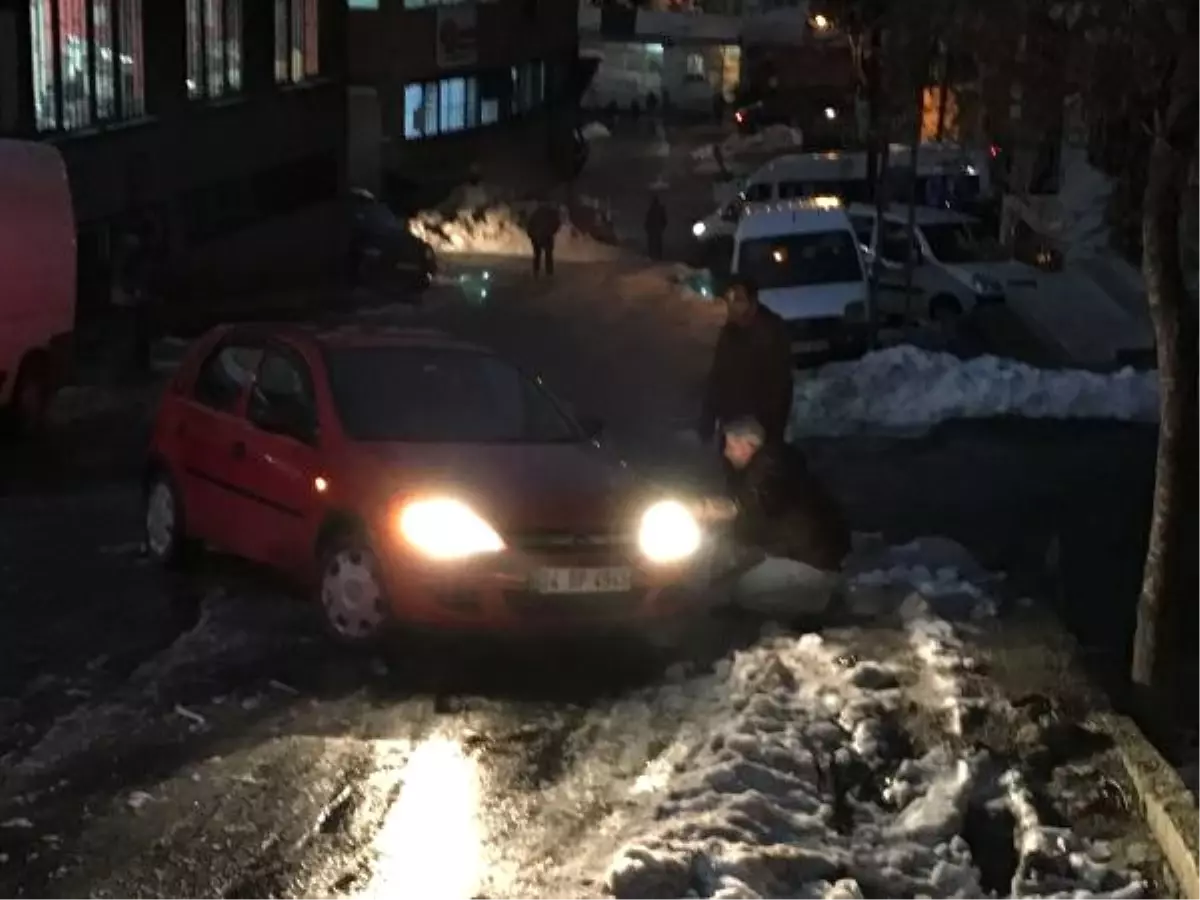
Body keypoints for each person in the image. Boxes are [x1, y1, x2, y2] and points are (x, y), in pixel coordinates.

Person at [720, 416, 852, 617]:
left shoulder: (770, 469)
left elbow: (757, 509)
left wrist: (725, 510)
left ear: (748, 445)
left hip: (813, 565)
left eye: (730, 445)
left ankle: (820, 605)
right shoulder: (773, 468)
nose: (726, 453)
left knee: (742, 591)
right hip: (809, 558)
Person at [698, 275, 794, 469]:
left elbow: (781, 384)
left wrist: (771, 431)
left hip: (759, 431)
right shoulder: (729, 334)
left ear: (753, 302)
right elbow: (718, 376)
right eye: (729, 300)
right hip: (733, 427)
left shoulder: (771, 332)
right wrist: (707, 419)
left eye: (738, 300)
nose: (732, 306)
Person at [526, 198, 562, 277]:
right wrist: (551, 232)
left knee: (538, 255)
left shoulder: (536, 213)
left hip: (538, 237)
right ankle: (548, 272)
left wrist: (532, 236)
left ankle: (537, 271)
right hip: (545, 236)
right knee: (547, 255)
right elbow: (557, 224)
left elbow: (529, 225)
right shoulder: (551, 213)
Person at [644, 194, 667, 260]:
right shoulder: (659, 209)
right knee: (657, 243)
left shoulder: (651, 210)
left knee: (653, 243)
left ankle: (653, 255)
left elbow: (648, 220)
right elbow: (664, 220)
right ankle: (657, 256)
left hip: (654, 229)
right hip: (656, 229)